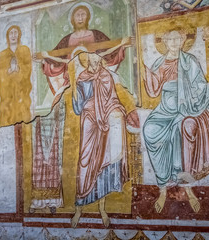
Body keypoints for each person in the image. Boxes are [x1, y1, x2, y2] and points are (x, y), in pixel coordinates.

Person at [30, 2, 138, 214]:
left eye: (83, 13)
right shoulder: (69, 46)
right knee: (82, 153)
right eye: (76, 14)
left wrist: (123, 44)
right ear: (72, 18)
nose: (79, 16)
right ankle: (80, 200)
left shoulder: (97, 40)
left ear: (87, 16)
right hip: (82, 101)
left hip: (99, 107)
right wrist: (45, 56)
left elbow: (108, 52)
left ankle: (103, 196)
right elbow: (58, 59)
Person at [142, 29, 209, 213]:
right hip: (164, 109)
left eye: (178, 38)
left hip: (186, 109)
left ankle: (187, 187)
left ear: (183, 41)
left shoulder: (190, 61)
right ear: (165, 41)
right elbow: (153, 91)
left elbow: (202, 86)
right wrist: (142, 69)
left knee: (180, 129)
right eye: (170, 38)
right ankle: (162, 187)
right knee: (149, 130)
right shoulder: (159, 62)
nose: (174, 42)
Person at [71, 51, 128, 228]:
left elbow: (112, 99)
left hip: (105, 120)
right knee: (85, 160)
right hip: (89, 118)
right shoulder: (82, 76)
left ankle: (102, 208)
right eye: (92, 59)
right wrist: (74, 88)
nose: (96, 62)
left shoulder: (106, 76)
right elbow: (78, 107)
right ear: (86, 60)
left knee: (104, 160)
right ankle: (79, 209)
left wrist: (116, 111)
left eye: (98, 59)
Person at [0, 25, 32, 126]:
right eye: (11, 33)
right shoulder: (2, 54)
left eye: (15, 32)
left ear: (19, 35)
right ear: (7, 36)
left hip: (22, 91)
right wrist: (8, 71)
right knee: (7, 113)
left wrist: (19, 69)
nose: (13, 35)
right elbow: (0, 74)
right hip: (7, 93)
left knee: (23, 112)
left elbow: (28, 68)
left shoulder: (25, 50)